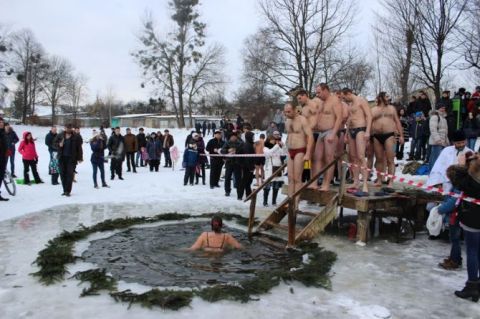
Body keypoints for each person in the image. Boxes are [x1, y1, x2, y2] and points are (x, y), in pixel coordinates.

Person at [448, 152, 480, 302]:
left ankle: (472, 286)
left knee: (472, 251)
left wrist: (461, 164)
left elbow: (458, 181)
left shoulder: (474, 172)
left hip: (473, 216)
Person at [341, 87, 372, 192]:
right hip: (351, 130)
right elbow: (349, 119)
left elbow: (369, 116)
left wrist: (368, 131)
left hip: (361, 129)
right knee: (353, 157)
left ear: (349, 93)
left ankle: (365, 184)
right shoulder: (350, 105)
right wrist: (346, 133)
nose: (344, 100)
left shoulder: (361, 100)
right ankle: (356, 181)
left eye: (345, 97)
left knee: (361, 156)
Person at [371, 92, 404, 187]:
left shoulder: (392, 109)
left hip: (389, 135)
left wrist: (401, 135)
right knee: (379, 159)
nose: (388, 98)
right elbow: (369, 122)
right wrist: (368, 136)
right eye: (386, 96)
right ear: (381, 98)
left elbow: (397, 122)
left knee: (390, 159)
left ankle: (391, 181)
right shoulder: (373, 110)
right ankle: (380, 180)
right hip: (377, 136)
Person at [284, 102, 313, 211]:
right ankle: (290, 200)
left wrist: (308, 153)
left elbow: (310, 137)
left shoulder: (302, 120)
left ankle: (296, 203)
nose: (287, 114)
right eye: (285, 112)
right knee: (290, 178)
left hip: (300, 150)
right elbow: (289, 136)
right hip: (290, 150)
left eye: (289, 111)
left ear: (295, 109)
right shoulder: (287, 121)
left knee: (297, 178)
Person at [313, 83, 343, 191]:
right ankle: (314, 182)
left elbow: (339, 118)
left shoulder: (334, 100)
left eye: (319, 92)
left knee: (329, 159)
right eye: (317, 92)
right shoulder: (321, 102)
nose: (317, 94)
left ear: (325, 90)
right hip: (321, 132)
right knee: (317, 158)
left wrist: (334, 133)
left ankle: (326, 184)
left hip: (330, 131)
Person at [297, 89, 320, 186]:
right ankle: (306, 178)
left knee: (313, 158)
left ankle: (313, 180)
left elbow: (315, 121)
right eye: (297, 98)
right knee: (307, 158)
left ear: (305, 95)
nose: (299, 100)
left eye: (300, 98)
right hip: (306, 134)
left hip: (313, 133)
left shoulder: (312, 105)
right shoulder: (304, 107)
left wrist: (308, 131)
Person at [56, 125, 83, 196]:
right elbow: (53, 144)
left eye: (70, 128)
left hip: (71, 159)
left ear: (71, 129)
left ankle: (68, 191)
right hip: (61, 158)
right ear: (65, 128)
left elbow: (79, 148)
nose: (68, 129)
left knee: (69, 175)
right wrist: (59, 144)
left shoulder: (76, 137)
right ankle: (64, 190)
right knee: (62, 174)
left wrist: (80, 158)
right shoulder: (60, 135)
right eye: (67, 128)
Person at [263, 134, 286, 206]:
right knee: (267, 187)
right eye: (272, 140)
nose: (274, 141)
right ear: (269, 140)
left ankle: (274, 201)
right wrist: (276, 146)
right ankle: (265, 202)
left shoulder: (278, 147)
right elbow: (269, 154)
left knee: (276, 187)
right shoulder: (265, 148)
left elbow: (283, 154)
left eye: (275, 140)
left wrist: (283, 146)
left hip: (278, 167)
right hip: (269, 169)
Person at [221, 132, 244, 197]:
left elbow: (244, 151)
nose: (233, 138)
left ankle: (239, 194)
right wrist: (228, 150)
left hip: (237, 163)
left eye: (235, 136)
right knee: (227, 177)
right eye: (232, 136)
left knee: (238, 179)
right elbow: (222, 150)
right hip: (229, 162)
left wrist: (236, 151)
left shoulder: (240, 143)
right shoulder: (227, 143)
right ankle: (227, 191)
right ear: (230, 137)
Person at [428, 103, 449, 173]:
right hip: (437, 141)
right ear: (438, 109)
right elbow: (433, 129)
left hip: (443, 141)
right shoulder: (435, 117)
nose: (443, 109)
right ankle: (432, 173)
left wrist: (446, 141)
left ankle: (435, 172)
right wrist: (437, 139)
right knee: (435, 158)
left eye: (444, 108)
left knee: (439, 158)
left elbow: (445, 132)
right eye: (441, 108)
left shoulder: (444, 118)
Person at [236, 131, 255, 200]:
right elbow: (248, 158)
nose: (253, 138)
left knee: (248, 181)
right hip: (246, 167)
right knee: (244, 181)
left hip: (247, 166)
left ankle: (248, 194)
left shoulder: (248, 144)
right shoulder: (247, 145)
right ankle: (240, 195)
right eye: (252, 136)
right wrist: (250, 167)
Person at [0, 117, 9, 201]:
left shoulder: (3, 133)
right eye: (0, 122)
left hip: (3, 157)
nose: (1, 123)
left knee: (1, 176)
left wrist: (7, 151)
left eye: (2, 122)